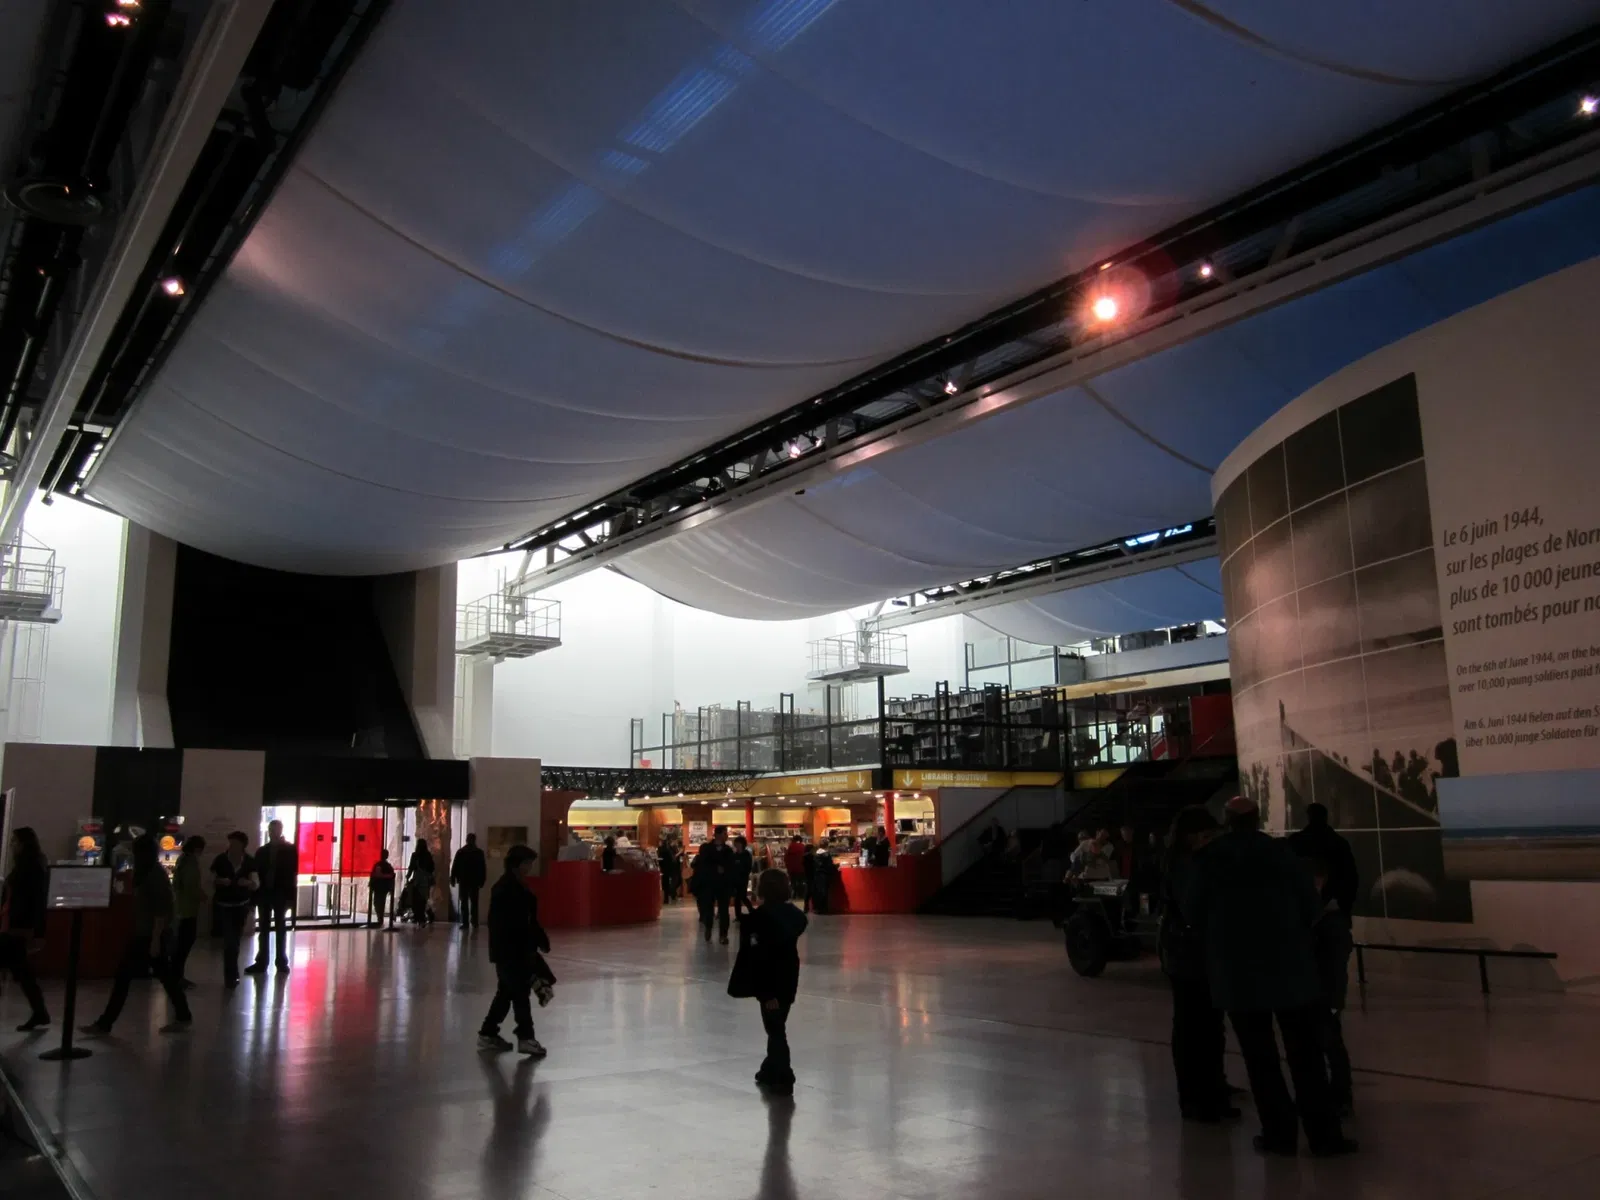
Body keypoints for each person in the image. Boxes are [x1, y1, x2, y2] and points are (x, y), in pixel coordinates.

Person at [1184, 797, 1356, 1157]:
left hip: (1238, 975)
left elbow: (1194, 913)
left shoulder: (1208, 861)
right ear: (1257, 819)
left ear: (1226, 822)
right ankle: (1324, 1136)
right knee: (1306, 1056)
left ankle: (1279, 1135)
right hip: (1291, 971)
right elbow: (1311, 907)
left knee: (1260, 1059)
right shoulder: (1283, 855)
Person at [1157, 807, 1233, 1123]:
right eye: (1207, 836)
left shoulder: (1179, 861)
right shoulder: (1188, 866)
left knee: (1199, 1027)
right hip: (1191, 956)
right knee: (1198, 1028)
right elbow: (1195, 910)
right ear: (1192, 836)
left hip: (1185, 955)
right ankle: (1201, 1097)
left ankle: (1204, 1094)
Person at [84, 834, 193, 1035]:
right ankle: (183, 1015)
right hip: (144, 934)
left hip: (150, 935)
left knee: (132, 977)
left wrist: (155, 941)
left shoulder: (154, 875)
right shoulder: (146, 872)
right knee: (161, 977)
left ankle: (105, 1023)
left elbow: (161, 911)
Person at [729, 868, 808, 1096]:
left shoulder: (759, 920)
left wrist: (766, 994)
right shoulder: (794, 917)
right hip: (788, 976)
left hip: (769, 983)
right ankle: (769, 1069)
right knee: (777, 1024)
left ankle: (783, 1072)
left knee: (775, 1028)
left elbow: (759, 958)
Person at [479, 844, 551, 1057]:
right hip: (512, 951)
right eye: (527, 863)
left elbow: (527, 919)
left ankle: (488, 1033)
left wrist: (538, 939)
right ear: (517, 864)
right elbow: (514, 923)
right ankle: (526, 1037)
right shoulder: (507, 889)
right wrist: (530, 943)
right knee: (519, 993)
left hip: (511, 950)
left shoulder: (513, 885)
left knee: (507, 993)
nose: (530, 867)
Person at [1306, 855, 1356, 1117]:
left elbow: (1335, 966)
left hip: (1323, 994)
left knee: (1330, 1043)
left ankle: (1339, 1095)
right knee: (1325, 1044)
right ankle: (1332, 1095)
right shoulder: (1324, 917)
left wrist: (1335, 1000)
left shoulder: (1328, 921)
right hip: (1317, 992)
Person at [1, 827, 51, 1031]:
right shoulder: (30, 865)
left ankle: (40, 1012)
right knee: (23, 972)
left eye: (14, 841)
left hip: (18, 926)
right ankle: (40, 1012)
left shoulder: (30, 868)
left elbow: (37, 901)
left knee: (23, 972)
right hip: (15, 925)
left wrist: (37, 930)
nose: (12, 845)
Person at [1288, 803, 1358, 917]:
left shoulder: (1296, 842)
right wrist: (1343, 904)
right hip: (1333, 910)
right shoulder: (1339, 843)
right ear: (1326, 817)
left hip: (1303, 911)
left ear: (1309, 817)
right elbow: (1351, 878)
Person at [247, 819, 297, 974]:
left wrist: (291, 898)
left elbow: (292, 874)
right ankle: (262, 962)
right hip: (265, 893)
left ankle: (281, 962)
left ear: (281, 830)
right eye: (270, 829)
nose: (272, 832)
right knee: (264, 928)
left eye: (275, 829)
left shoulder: (290, 850)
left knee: (280, 928)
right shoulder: (262, 851)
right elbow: (255, 875)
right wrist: (254, 897)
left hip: (280, 893)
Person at [210, 831, 257, 987]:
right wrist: (220, 881)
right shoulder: (221, 859)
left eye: (235, 843)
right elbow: (211, 879)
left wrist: (248, 883)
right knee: (230, 941)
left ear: (243, 845)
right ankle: (231, 976)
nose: (232, 846)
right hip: (224, 905)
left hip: (241, 905)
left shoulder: (249, 861)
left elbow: (255, 883)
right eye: (231, 842)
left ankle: (232, 973)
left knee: (235, 940)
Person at [169, 835, 206, 988]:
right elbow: (191, 885)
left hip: (180, 907)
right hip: (188, 909)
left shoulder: (182, 859)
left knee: (179, 944)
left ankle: (175, 975)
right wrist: (202, 896)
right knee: (184, 943)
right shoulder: (191, 862)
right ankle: (177, 976)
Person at [690, 827, 735, 944]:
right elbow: (702, 864)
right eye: (724, 833)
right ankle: (708, 927)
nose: (726, 836)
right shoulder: (706, 848)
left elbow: (731, 866)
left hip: (723, 885)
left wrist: (725, 871)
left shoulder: (728, 850)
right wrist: (715, 868)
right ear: (718, 835)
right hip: (708, 884)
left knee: (724, 910)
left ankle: (723, 935)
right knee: (708, 909)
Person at [451, 832, 488, 929]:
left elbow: (455, 866)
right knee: (474, 902)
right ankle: (474, 922)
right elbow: (482, 868)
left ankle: (465, 922)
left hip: (463, 880)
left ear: (466, 840)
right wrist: (482, 880)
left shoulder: (461, 852)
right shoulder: (479, 853)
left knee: (464, 902)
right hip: (474, 881)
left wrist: (453, 878)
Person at [408, 837, 436, 926]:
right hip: (425, 881)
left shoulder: (415, 855)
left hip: (417, 880)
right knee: (423, 899)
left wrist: (408, 876)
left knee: (416, 899)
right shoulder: (428, 855)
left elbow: (411, 867)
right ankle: (424, 916)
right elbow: (432, 868)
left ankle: (419, 917)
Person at [369, 848, 397, 926]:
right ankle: (380, 918)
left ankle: (380, 918)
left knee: (377, 902)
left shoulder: (378, 865)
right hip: (384, 887)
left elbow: (376, 875)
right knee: (380, 902)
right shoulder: (388, 866)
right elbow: (391, 875)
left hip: (378, 887)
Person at [730, 835, 755, 920]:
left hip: (743, 879)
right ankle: (739, 915)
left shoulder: (746, 855)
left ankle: (750, 912)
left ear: (741, 844)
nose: (735, 845)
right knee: (739, 898)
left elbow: (748, 867)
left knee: (741, 897)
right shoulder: (734, 855)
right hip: (735, 879)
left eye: (737, 843)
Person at [784, 834, 806, 901]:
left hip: (792, 869)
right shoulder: (803, 846)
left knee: (793, 882)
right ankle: (801, 895)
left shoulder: (790, 847)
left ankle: (794, 895)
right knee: (801, 882)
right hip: (802, 868)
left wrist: (788, 867)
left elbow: (786, 858)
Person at [800, 842, 818, 914]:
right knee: (812, 891)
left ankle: (806, 907)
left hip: (807, 875)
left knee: (808, 892)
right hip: (812, 875)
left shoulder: (804, 856)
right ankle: (814, 907)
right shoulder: (811, 856)